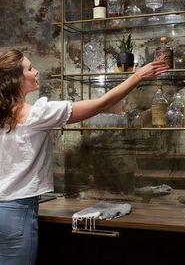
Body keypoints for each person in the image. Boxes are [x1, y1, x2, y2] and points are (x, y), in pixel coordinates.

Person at [0, 48, 169, 265]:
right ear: (16, 79)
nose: (36, 72)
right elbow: (101, 104)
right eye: (30, 69)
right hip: (18, 211)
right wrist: (137, 76)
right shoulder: (37, 114)